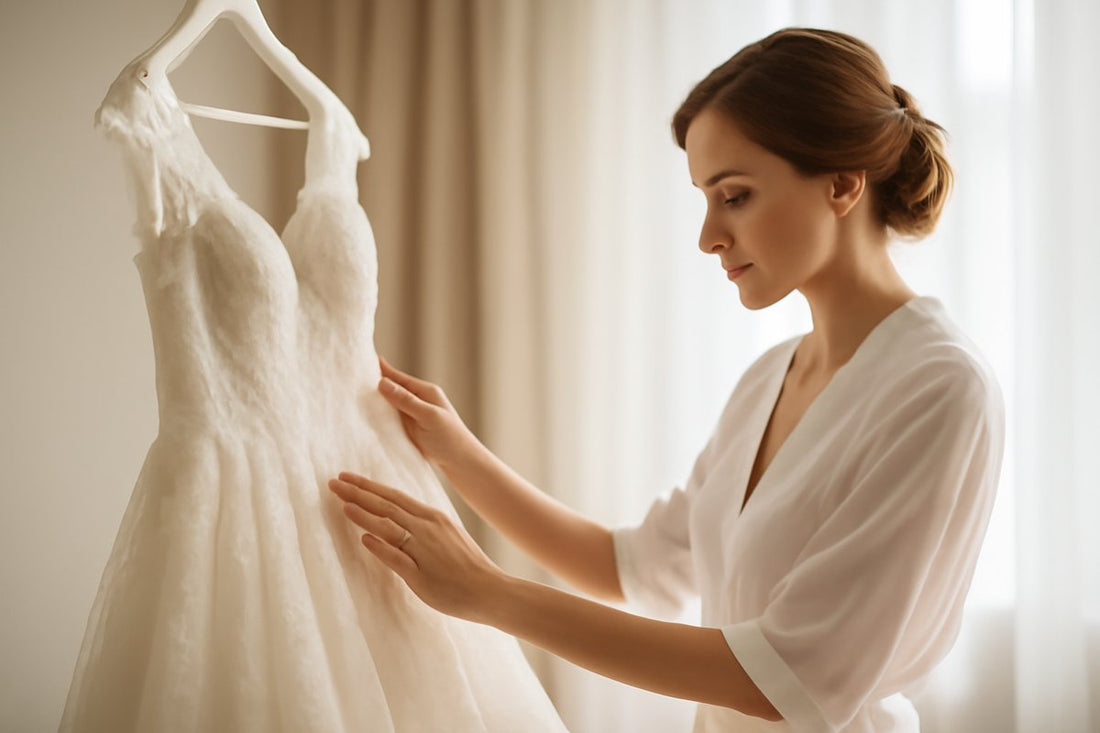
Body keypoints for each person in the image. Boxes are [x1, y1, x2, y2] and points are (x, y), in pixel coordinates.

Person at [327, 27, 1005, 732]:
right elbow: (631, 565)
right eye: (705, 200)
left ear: (841, 184)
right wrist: (455, 451)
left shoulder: (941, 388)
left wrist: (486, 592)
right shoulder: (770, 377)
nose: (708, 235)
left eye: (734, 195)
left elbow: (779, 678)